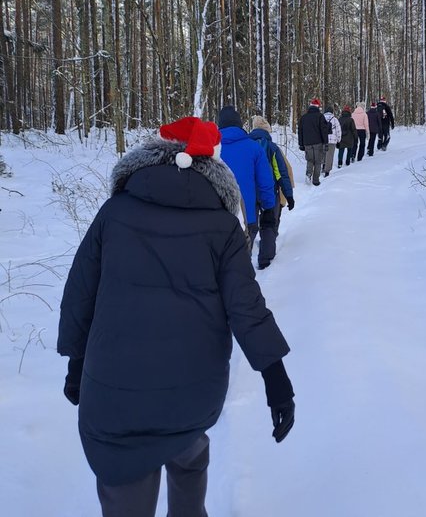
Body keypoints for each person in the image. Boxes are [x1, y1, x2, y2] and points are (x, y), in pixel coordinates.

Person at [57, 116, 295, 517]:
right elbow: (246, 306)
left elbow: (80, 292)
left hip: (115, 389)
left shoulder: (114, 212)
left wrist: (77, 363)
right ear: (210, 167)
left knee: (125, 486)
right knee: (189, 450)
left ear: (150, 157)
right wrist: (276, 376)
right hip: (193, 388)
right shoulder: (222, 225)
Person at [218, 105, 276, 270]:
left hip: (215, 219)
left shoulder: (209, 150)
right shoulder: (254, 148)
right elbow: (265, 183)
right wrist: (269, 207)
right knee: (241, 267)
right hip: (246, 218)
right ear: (240, 124)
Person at [249, 115, 295, 245]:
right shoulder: (273, 148)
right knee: (269, 223)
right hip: (270, 190)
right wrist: (288, 195)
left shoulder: (246, 146)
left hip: (250, 190)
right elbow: (281, 173)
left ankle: (246, 252)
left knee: (250, 224)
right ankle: (266, 257)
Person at [297, 97, 329, 185]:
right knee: (318, 161)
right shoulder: (320, 116)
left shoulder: (304, 118)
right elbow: (324, 130)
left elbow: (300, 131)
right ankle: (315, 180)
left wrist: (301, 144)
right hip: (318, 142)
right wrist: (326, 142)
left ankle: (308, 174)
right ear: (318, 107)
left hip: (307, 143)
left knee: (310, 160)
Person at [322, 106, 341, 177]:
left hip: (323, 139)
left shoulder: (321, 118)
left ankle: (323, 166)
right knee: (329, 155)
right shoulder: (335, 119)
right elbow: (338, 130)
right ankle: (327, 171)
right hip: (332, 140)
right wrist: (338, 140)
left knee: (323, 154)